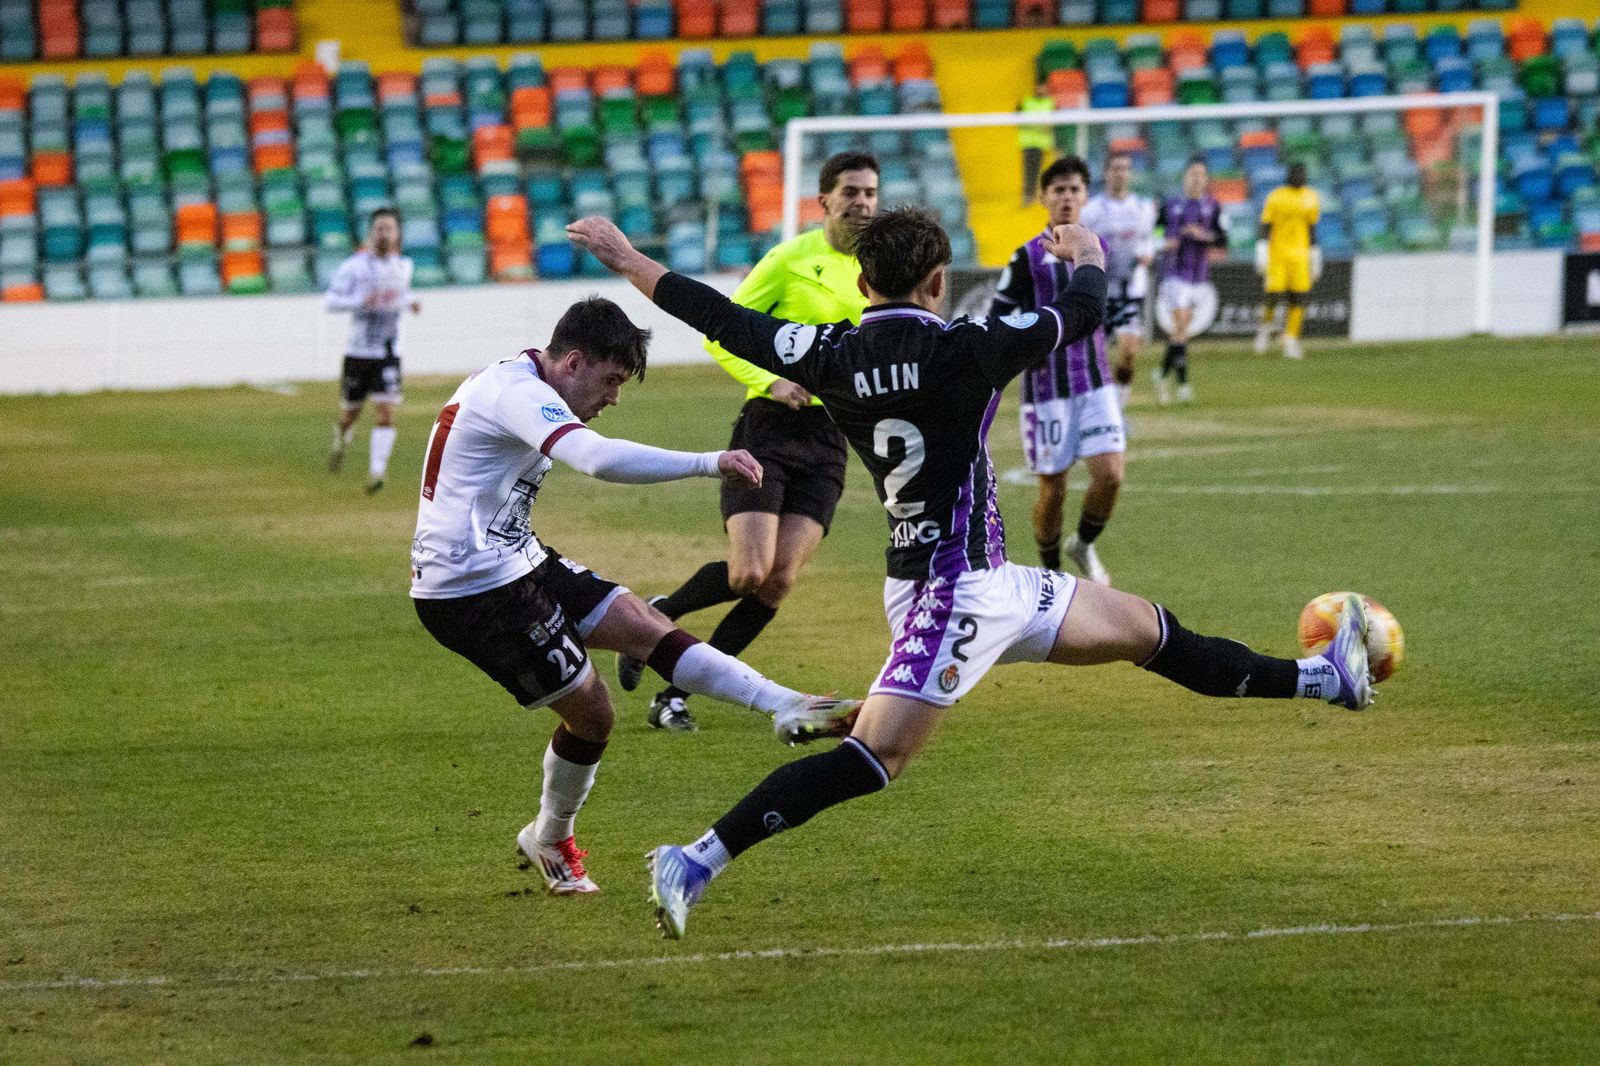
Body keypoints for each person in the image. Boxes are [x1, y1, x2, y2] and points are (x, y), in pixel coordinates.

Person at [566, 210, 1378, 940]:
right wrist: (1088, 253)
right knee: (877, 760)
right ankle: (694, 859)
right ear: (938, 283)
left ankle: (1327, 677)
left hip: (982, 581)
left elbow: (714, 313)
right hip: (953, 596)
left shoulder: (828, 352)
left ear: (861, 283)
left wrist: (627, 257)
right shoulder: (969, 348)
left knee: (1149, 631)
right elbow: (1084, 312)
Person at [409, 296, 858, 896]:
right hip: (470, 586)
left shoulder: (521, 380)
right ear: (573, 362)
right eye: (612, 380)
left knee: (642, 622)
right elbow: (595, 459)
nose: (614, 398)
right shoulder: (515, 392)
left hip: (513, 555)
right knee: (594, 714)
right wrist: (709, 462)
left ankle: (787, 704)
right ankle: (550, 837)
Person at [614, 152, 879, 733]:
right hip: (769, 428)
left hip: (829, 439)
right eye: (851, 192)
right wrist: (772, 380)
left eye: (870, 193)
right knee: (748, 575)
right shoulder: (789, 260)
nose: (862, 203)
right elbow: (721, 332)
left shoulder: (879, 268)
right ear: (825, 201)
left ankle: (673, 695)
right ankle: (661, 614)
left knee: (779, 581)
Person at [991, 155, 1123, 587]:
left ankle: (1082, 543)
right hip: (1046, 389)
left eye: (1074, 189)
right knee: (1054, 489)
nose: (1067, 197)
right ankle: (1051, 576)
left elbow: (1115, 304)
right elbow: (998, 317)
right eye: (1058, 190)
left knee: (1110, 475)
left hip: (1095, 381)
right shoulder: (1026, 257)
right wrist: (1022, 346)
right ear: (1044, 198)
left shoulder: (1098, 249)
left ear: (1085, 196)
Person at [324, 208, 420, 493]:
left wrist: (411, 301)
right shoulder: (354, 267)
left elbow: (401, 294)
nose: (384, 234)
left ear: (397, 234)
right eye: (379, 228)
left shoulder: (403, 266)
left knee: (386, 412)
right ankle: (342, 435)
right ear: (371, 233)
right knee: (350, 413)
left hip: (388, 351)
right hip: (359, 352)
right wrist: (359, 302)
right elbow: (331, 301)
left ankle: (377, 471)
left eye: (389, 228)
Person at [1081, 151, 1158, 408]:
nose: (1120, 173)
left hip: (1130, 289)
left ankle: (1120, 400)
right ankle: (1098, 401)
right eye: (1115, 168)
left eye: (1125, 168)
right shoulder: (1091, 211)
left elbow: (1150, 239)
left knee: (1128, 352)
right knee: (1095, 353)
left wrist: (1148, 254)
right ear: (1106, 173)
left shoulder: (1143, 208)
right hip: (1100, 289)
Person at [1153, 159, 1227, 405]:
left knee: (1181, 331)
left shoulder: (1213, 206)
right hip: (1174, 274)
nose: (1197, 178)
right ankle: (1183, 385)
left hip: (1199, 277)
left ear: (1206, 179)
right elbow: (1154, 231)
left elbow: (1222, 238)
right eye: (1193, 174)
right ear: (1185, 176)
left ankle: (1162, 374)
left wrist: (1203, 235)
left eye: (1201, 174)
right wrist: (1164, 242)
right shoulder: (1170, 204)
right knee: (1181, 325)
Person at [1254, 161, 1323, 361]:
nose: (1299, 177)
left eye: (1302, 174)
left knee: (1298, 297)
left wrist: (1315, 254)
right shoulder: (1276, 197)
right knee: (1273, 295)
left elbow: (1311, 228)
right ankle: (1265, 328)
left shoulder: (1311, 197)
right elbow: (1266, 224)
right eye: (1296, 173)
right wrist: (1262, 248)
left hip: (1300, 256)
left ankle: (1290, 338)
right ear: (1289, 175)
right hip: (1278, 254)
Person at [1017, 83, 1054, 207]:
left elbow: (1053, 124)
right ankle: (1028, 196)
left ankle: (1044, 196)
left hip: (1043, 144)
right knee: (1029, 172)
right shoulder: (1025, 102)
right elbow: (1017, 120)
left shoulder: (1050, 103)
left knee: (1045, 171)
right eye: (1040, 87)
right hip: (1028, 142)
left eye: (1044, 87)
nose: (1042, 89)